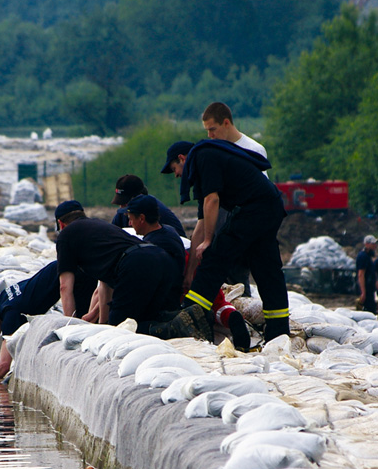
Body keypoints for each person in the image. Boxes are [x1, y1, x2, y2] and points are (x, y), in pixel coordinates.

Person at [160, 139, 289, 344]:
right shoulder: (204, 164)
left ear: (182, 158)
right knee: (267, 270)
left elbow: (213, 201)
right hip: (269, 207)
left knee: (215, 259)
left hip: (256, 208)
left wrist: (209, 241)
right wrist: (189, 272)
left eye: (174, 168)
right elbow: (200, 226)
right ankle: (279, 332)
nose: (176, 175)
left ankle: (190, 318)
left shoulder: (203, 158)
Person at [128, 193, 251, 349]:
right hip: (195, 268)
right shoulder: (168, 232)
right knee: (215, 304)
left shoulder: (151, 247)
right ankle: (229, 317)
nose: (129, 222)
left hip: (184, 282)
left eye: (130, 217)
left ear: (141, 218)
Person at [55, 200, 192, 334]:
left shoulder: (65, 236)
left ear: (61, 224)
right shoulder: (99, 226)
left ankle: (174, 327)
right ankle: (182, 319)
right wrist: (103, 324)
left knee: (120, 329)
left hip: (136, 262)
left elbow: (65, 287)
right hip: (159, 256)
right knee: (146, 317)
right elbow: (106, 284)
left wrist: (69, 329)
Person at [0, 259, 96, 380]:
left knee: (84, 327)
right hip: (65, 266)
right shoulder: (2, 300)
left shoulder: (10, 315)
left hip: (76, 275)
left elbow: (4, 364)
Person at [111, 174, 186, 237]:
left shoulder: (157, 212)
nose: (121, 207)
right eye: (120, 203)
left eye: (124, 203)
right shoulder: (122, 214)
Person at [201, 101, 268, 159]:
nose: (209, 135)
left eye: (212, 129)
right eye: (207, 130)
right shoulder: (211, 152)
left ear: (226, 123)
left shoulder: (254, 150)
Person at [356, 235, 378, 313]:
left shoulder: (368, 257)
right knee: (368, 311)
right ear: (366, 244)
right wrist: (363, 292)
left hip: (370, 289)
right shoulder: (363, 256)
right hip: (366, 289)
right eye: (373, 244)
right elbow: (361, 274)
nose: (375, 246)